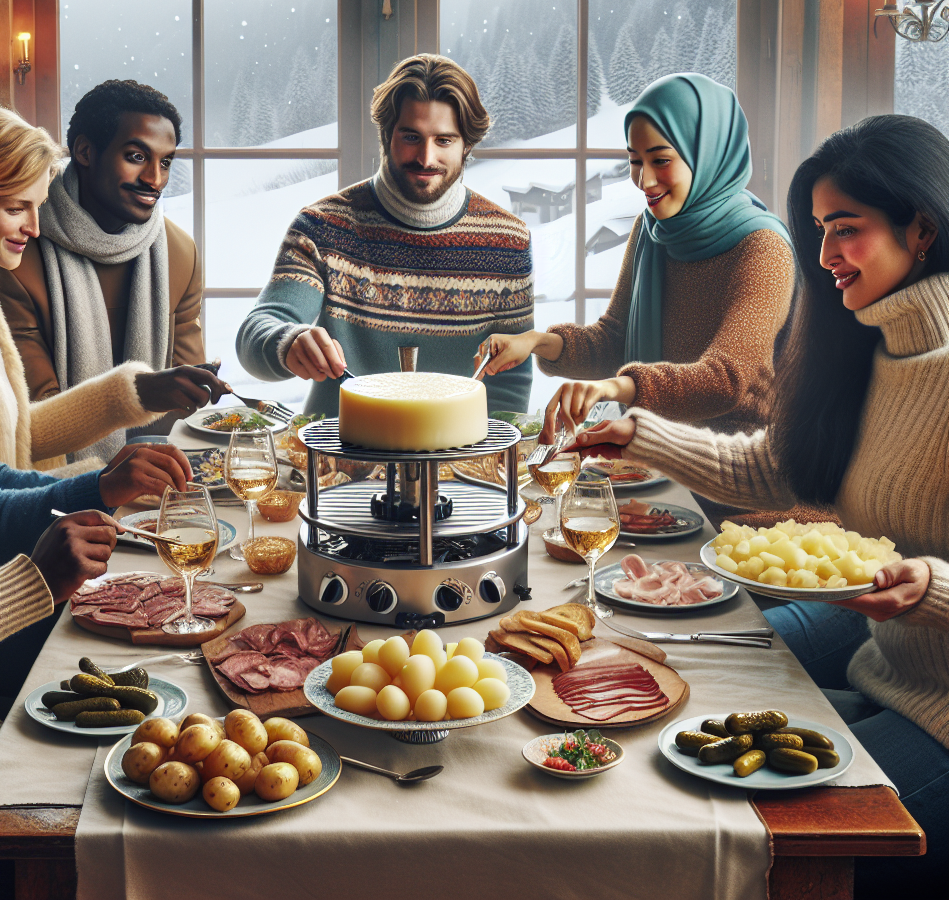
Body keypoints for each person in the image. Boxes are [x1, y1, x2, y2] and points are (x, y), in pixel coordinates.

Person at [573, 113, 949, 898]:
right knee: (685, 682)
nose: (822, 256)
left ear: (922, 227)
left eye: (844, 229)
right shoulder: (866, 344)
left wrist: (933, 586)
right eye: (817, 229)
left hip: (939, 710)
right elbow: (777, 471)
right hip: (886, 657)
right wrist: (636, 435)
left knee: (762, 837)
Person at [0, 111, 118, 900]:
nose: (34, 231)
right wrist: (35, 578)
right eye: (13, 206)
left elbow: (3, 454)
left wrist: (126, 402)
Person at [476, 73, 793, 436]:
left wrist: (615, 387)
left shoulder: (763, 249)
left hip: (731, 468)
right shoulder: (652, 230)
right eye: (635, 160)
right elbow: (614, 340)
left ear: (706, 153)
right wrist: (535, 342)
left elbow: (728, 378)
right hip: (653, 447)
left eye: (660, 160)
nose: (644, 180)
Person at [236, 53, 534, 416]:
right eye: (411, 136)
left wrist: (476, 462)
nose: (426, 158)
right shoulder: (323, 226)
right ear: (386, 135)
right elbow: (257, 332)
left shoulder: (507, 241)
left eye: (444, 140)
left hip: (457, 459)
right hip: (338, 455)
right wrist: (289, 341)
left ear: (466, 145)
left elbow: (509, 384)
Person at [0, 105, 227, 473]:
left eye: (38, 207)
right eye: (17, 208)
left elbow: (12, 435)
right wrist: (99, 484)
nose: (33, 228)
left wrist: (140, 393)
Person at [0, 80, 207, 463]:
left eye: (165, 162)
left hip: (158, 475)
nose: (155, 180)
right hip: (50, 481)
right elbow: (36, 410)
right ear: (85, 151)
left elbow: (187, 399)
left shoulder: (180, 253)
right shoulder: (17, 249)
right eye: (137, 156)